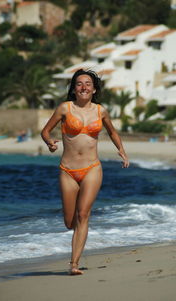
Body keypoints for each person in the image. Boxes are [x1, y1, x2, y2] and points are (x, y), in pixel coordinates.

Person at [41, 69, 129, 275]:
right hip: (68, 171)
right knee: (69, 222)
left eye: (88, 83)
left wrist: (122, 151)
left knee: (83, 214)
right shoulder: (65, 109)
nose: (83, 87)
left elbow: (112, 131)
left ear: (94, 88)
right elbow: (45, 131)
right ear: (74, 89)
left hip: (92, 168)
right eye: (79, 83)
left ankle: (74, 264)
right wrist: (49, 143)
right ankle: (76, 241)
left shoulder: (101, 111)